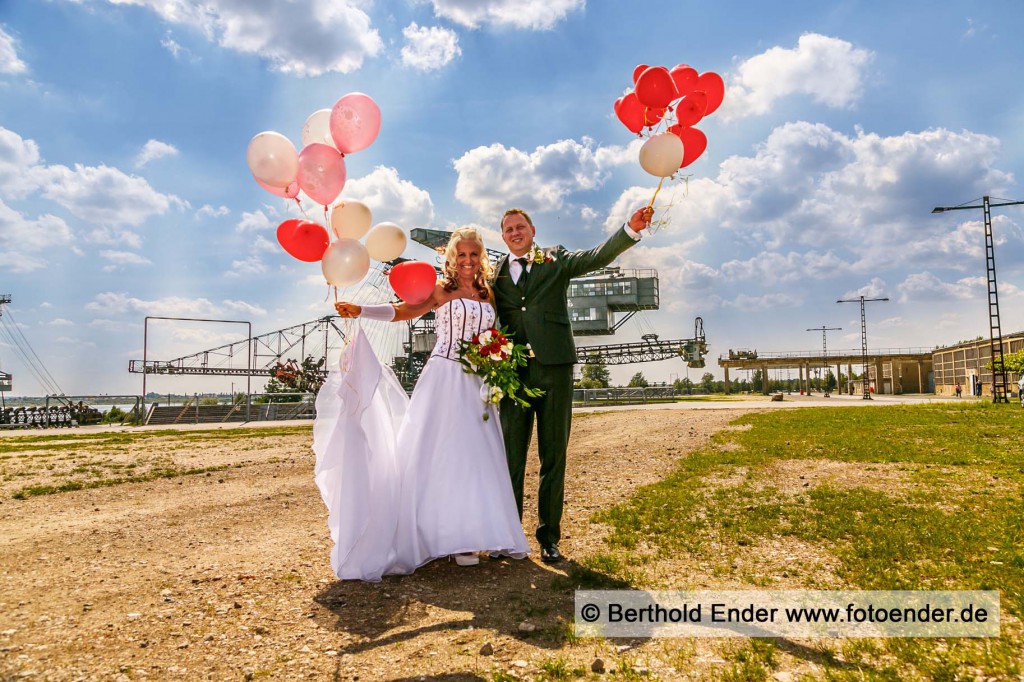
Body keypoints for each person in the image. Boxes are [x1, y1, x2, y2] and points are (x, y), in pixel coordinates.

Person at [315, 227, 530, 581]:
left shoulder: (488, 293)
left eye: (474, 254)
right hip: (445, 377)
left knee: (477, 457)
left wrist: (497, 358)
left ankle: (480, 533)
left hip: (479, 382)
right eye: (461, 255)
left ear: (482, 259)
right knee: (440, 453)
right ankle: (444, 537)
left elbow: (496, 333)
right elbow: (403, 312)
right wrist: (361, 310)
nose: (467, 260)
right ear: (451, 258)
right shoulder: (440, 290)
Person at [493, 205, 652, 563]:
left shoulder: (556, 259)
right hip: (513, 375)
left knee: (554, 457)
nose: (515, 233)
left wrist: (629, 230)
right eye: (508, 230)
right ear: (502, 237)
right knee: (510, 459)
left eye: (520, 226)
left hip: (555, 369)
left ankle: (549, 538)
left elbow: (595, 257)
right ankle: (507, 535)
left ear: (533, 230)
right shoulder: (497, 274)